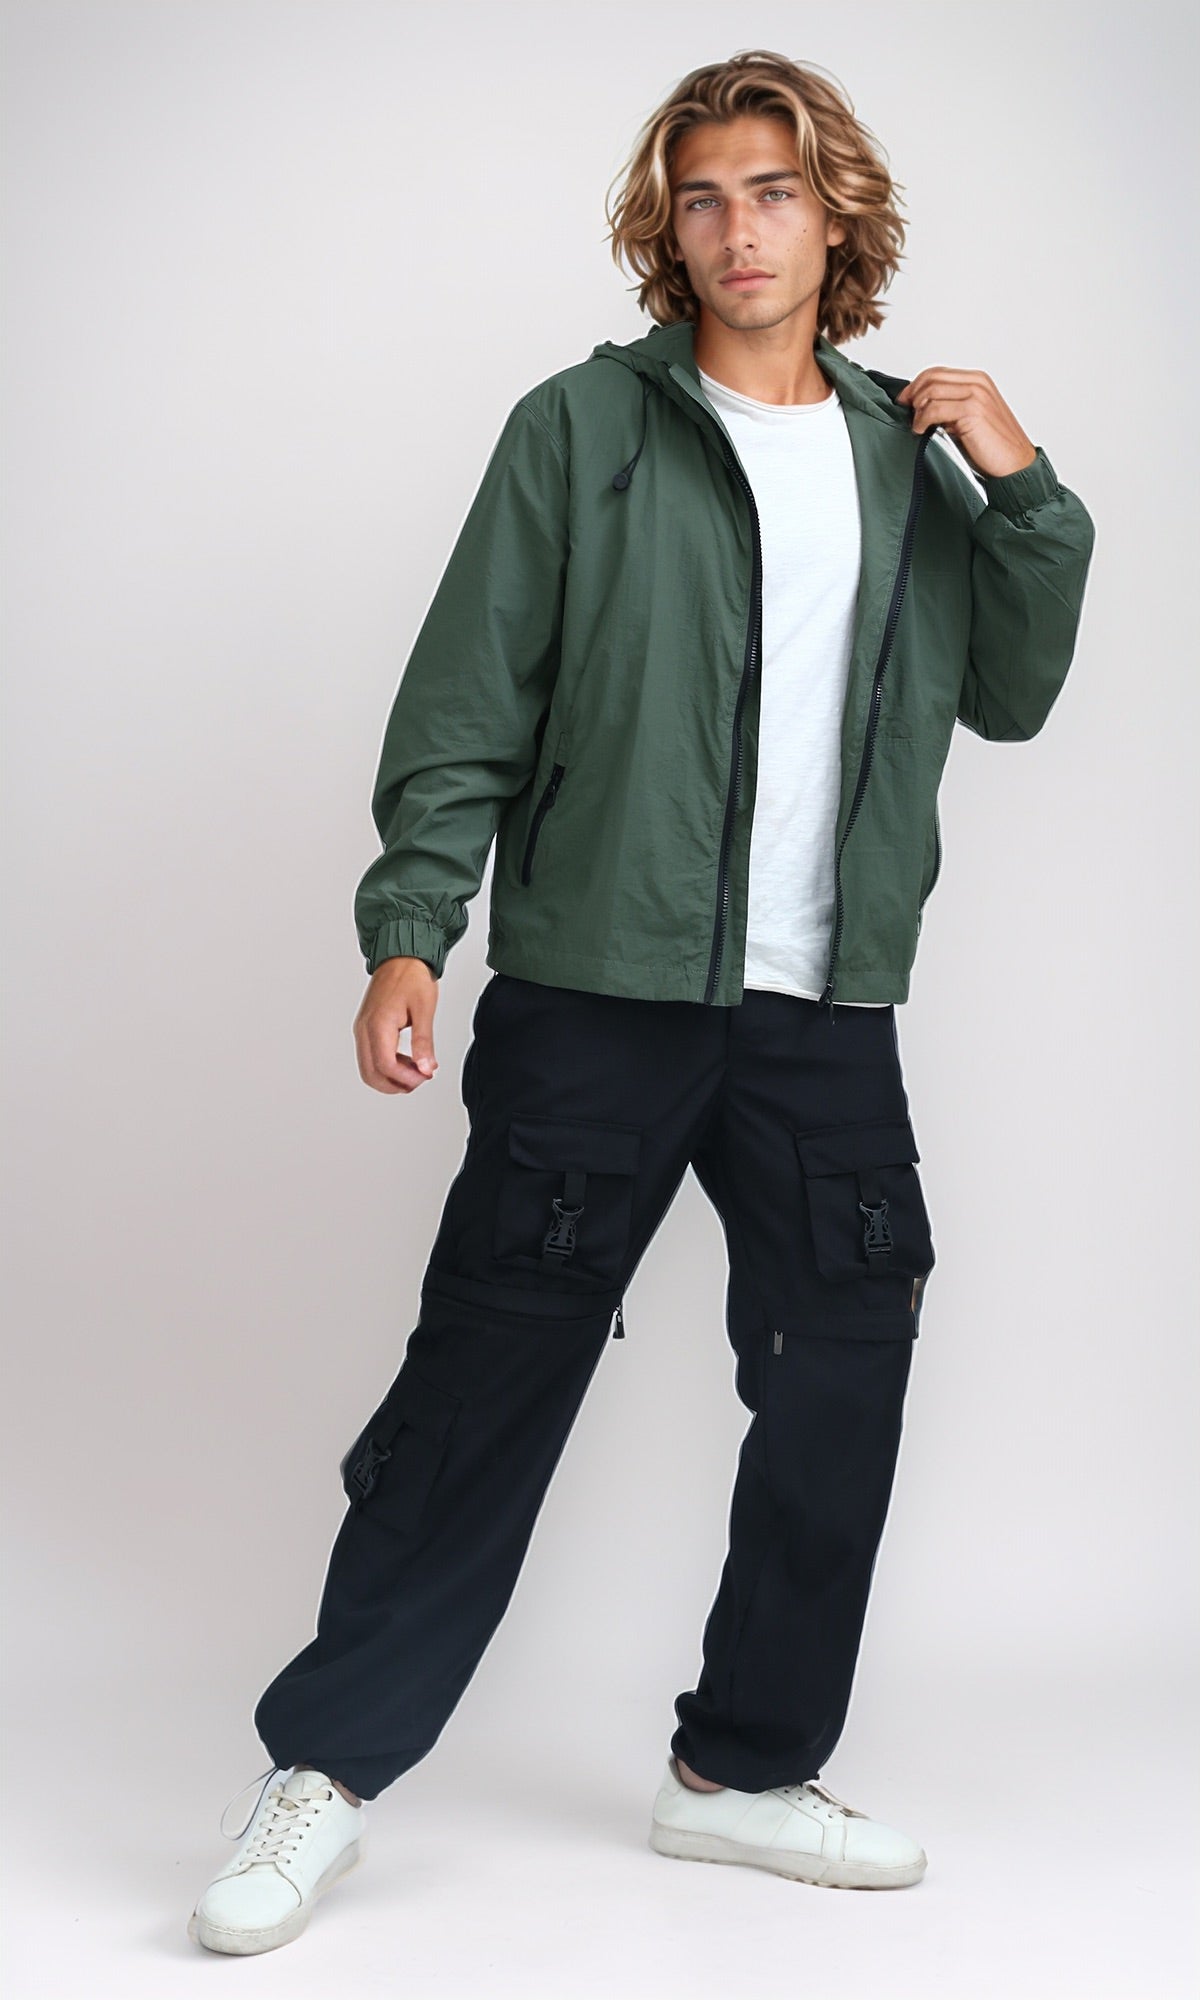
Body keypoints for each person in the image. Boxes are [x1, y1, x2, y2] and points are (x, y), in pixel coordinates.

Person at [189, 48, 1095, 1954]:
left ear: (836, 217)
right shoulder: (583, 430)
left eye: (775, 191)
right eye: (703, 198)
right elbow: (468, 696)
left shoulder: (908, 457)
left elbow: (1012, 697)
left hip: (824, 1010)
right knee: (486, 1378)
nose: (738, 229)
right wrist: (411, 927)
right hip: (599, 993)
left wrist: (1026, 492)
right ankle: (326, 1772)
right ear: (665, 231)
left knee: (843, 1372)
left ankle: (742, 1771)